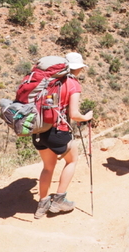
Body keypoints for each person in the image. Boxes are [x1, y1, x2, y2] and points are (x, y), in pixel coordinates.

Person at [33, 52, 93, 219]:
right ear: (78, 68)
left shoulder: (48, 81)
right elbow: (74, 114)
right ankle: (59, 200)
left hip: (38, 129)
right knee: (72, 160)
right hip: (58, 131)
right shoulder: (73, 84)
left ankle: (42, 204)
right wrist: (86, 117)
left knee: (47, 167)